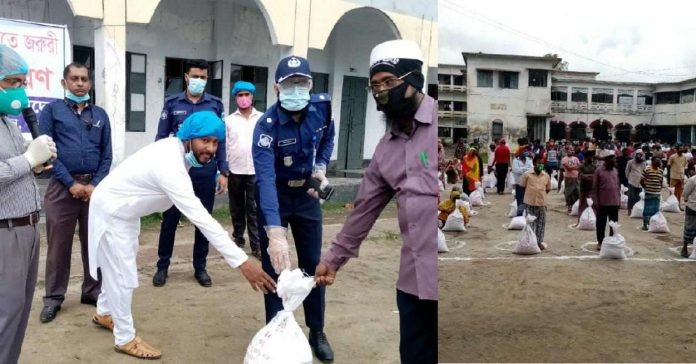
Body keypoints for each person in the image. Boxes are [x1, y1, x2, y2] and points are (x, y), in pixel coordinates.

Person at [88, 111, 275, 360]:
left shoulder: (176, 153)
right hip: (112, 213)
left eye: (215, 142)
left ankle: (104, 312)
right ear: (188, 137)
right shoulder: (170, 166)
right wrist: (242, 262)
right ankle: (125, 338)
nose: (209, 148)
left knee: (119, 267)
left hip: (125, 213)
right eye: (204, 140)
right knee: (122, 275)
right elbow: (202, 219)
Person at [315, 39, 438, 364]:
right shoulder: (385, 150)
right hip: (413, 282)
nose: (381, 92)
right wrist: (333, 259)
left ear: (413, 80)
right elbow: (363, 211)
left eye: (389, 82)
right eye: (375, 86)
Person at [252, 55, 336, 362]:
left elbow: (328, 137)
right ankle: (276, 332)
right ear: (277, 88)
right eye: (290, 84)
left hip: (308, 197)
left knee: (313, 266)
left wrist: (322, 164)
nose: (297, 89)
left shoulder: (321, 110)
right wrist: (274, 231)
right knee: (276, 268)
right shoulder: (266, 126)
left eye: (303, 83)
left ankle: (316, 330)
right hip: (274, 196)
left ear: (311, 86)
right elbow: (264, 178)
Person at [37, 62, 112, 323]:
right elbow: (45, 151)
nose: (80, 83)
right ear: (64, 83)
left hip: (94, 190)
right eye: (74, 79)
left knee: (95, 244)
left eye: (84, 79)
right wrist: (71, 183)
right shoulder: (52, 111)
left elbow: (107, 155)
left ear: (90, 84)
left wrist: (94, 185)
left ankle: (92, 292)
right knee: (58, 246)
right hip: (61, 188)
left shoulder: (101, 114)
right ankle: (54, 298)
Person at [0, 45, 57, 364]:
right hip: (5, 233)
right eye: (13, 82)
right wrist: (28, 159)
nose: (20, 90)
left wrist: (35, 164)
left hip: (28, 228)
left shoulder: (8, 121)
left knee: (19, 310)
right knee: (5, 313)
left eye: (23, 83)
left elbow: (16, 169)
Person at [153, 59, 227, 287]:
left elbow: (222, 141)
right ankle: (162, 266)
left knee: (203, 220)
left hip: (205, 172)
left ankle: (200, 267)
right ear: (186, 77)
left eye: (203, 77)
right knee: (170, 220)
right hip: (177, 172)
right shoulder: (172, 103)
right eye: (195, 76)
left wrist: (223, 171)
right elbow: (160, 138)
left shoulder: (215, 105)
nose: (199, 81)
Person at [224, 81, 263, 259]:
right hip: (235, 170)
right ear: (235, 98)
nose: (244, 98)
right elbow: (224, 145)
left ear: (252, 96)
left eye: (247, 94)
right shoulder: (229, 120)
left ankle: (257, 245)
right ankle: (238, 238)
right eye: (240, 95)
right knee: (237, 207)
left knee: (254, 209)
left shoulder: (261, 119)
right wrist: (223, 170)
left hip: (255, 171)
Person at [592, 149, 621, 251]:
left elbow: (617, 186)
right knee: (601, 224)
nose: (614, 161)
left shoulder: (615, 170)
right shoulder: (599, 171)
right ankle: (600, 242)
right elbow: (595, 188)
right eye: (612, 159)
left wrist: (619, 199)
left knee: (614, 224)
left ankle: (612, 241)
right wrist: (595, 201)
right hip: (602, 203)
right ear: (607, 160)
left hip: (614, 202)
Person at [520, 155, 551, 250]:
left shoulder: (546, 176)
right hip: (529, 202)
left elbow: (548, 189)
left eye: (542, 163)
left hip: (541, 203)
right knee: (530, 223)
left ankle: (539, 242)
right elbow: (522, 187)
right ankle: (530, 241)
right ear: (534, 163)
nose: (540, 165)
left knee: (541, 224)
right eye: (538, 163)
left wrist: (540, 195)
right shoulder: (527, 174)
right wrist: (530, 195)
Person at [640, 156, 664, 231]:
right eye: (656, 160)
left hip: (657, 193)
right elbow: (641, 180)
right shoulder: (647, 169)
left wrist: (659, 188)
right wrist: (645, 188)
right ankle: (645, 225)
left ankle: (652, 225)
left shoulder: (660, 171)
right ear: (652, 161)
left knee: (655, 210)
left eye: (659, 160)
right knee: (647, 209)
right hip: (649, 193)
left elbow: (661, 181)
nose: (658, 162)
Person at [577, 150, 596, 226]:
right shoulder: (582, 166)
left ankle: (592, 221)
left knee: (592, 204)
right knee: (582, 204)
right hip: (583, 188)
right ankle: (579, 220)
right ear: (586, 157)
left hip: (592, 188)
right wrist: (590, 176)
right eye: (590, 157)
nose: (591, 158)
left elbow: (595, 176)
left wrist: (587, 176)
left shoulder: (594, 166)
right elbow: (580, 176)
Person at [681, 162, 696, 257]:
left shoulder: (693, 179)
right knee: (690, 227)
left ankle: (685, 248)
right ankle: (685, 248)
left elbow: (685, 193)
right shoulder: (693, 180)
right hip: (692, 206)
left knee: (689, 227)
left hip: (691, 206)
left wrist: (686, 199)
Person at [511, 151, 533, 216]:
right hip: (519, 183)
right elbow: (515, 170)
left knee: (527, 199)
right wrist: (526, 170)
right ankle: (520, 214)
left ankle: (527, 213)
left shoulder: (529, 160)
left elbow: (531, 169)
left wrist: (522, 170)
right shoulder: (515, 161)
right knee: (520, 199)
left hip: (528, 183)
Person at [625, 150, 646, 215]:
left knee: (638, 197)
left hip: (640, 183)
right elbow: (627, 172)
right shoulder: (630, 162)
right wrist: (629, 179)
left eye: (641, 155)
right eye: (638, 155)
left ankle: (636, 210)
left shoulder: (643, 163)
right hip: (632, 182)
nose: (639, 156)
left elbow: (644, 172)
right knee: (631, 197)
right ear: (636, 155)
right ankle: (629, 210)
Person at [668, 145, 688, 209]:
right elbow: (668, 166)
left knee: (679, 193)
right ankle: (670, 205)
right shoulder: (672, 157)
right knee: (672, 191)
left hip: (681, 177)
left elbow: (684, 166)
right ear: (677, 149)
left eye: (682, 148)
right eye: (680, 149)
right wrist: (668, 177)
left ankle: (678, 205)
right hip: (673, 176)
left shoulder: (684, 157)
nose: (681, 150)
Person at [561, 148, 581, 213]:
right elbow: (568, 168)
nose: (572, 151)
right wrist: (576, 167)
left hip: (576, 177)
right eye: (570, 150)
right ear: (567, 151)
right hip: (568, 178)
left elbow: (580, 166)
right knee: (569, 192)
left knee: (577, 192)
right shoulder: (564, 159)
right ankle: (569, 206)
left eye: (572, 150)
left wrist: (574, 168)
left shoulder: (576, 158)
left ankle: (575, 206)